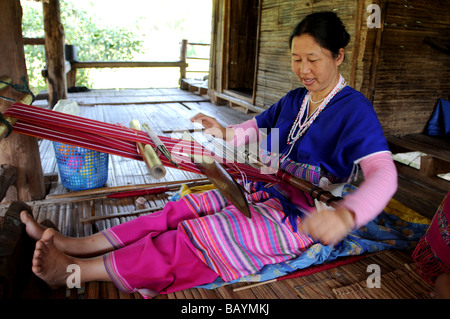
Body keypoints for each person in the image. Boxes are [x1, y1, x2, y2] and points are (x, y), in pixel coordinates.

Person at [21, 11, 397, 298]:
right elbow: (255, 127)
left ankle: (76, 271)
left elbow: (384, 173)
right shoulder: (295, 100)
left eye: (313, 59)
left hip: (307, 216)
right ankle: (72, 244)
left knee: (204, 233)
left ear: (339, 56)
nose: (303, 69)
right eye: (297, 59)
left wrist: (347, 215)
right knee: (179, 210)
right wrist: (224, 132)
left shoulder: (354, 109)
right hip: (268, 188)